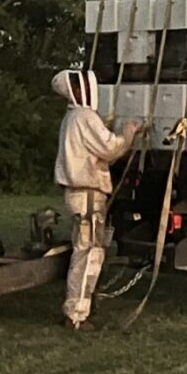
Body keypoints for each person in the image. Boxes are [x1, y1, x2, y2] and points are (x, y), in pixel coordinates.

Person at [52, 70, 139, 331]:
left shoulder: (73, 118)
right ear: (75, 90)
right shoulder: (84, 117)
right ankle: (77, 314)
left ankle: (83, 304)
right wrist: (128, 134)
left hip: (78, 194)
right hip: (88, 195)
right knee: (88, 254)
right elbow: (110, 148)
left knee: (87, 250)